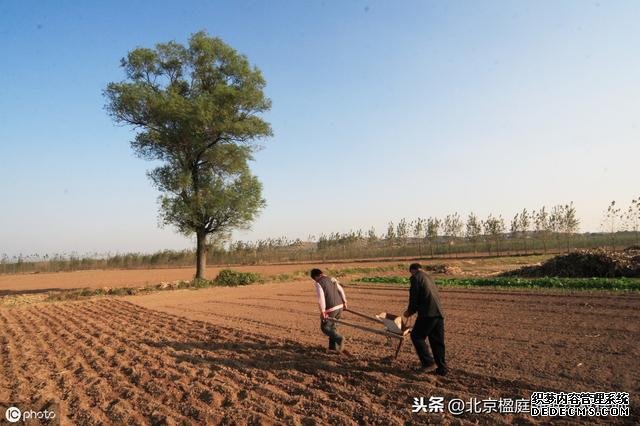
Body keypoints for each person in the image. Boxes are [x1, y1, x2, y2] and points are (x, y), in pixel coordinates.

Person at [403, 263, 448, 375]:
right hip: (439, 313)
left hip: (427, 313)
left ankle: (428, 363)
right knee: (437, 341)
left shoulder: (416, 278)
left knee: (416, 336)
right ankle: (442, 369)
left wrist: (409, 311)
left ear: (412, 270)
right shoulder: (428, 277)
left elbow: (414, 297)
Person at [310, 268, 348, 352]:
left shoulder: (319, 283)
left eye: (314, 279)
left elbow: (321, 298)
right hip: (340, 306)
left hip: (331, 308)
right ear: (321, 273)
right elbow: (340, 289)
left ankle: (339, 339)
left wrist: (323, 311)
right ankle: (333, 348)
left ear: (315, 277)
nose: (315, 280)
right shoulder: (331, 278)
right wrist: (344, 302)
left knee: (325, 327)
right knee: (333, 327)